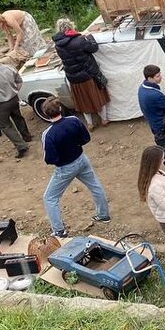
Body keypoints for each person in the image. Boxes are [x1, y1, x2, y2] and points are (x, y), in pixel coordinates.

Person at [40, 96, 110, 238]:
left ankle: (59, 231)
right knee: (95, 185)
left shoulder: (48, 134)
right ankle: (103, 215)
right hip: (81, 159)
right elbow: (86, 139)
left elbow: (50, 158)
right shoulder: (74, 120)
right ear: (60, 108)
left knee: (49, 198)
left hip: (64, 168)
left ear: (46, 114)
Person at [52, 18, 110, 129]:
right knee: (98, 98)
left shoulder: (58, 45)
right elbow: (94, 48)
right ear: (71, 26)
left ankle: (90, 123)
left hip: (73, 78)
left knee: (82, 101)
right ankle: (104, 119)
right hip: (88, 75)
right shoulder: (79, 40)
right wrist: (89, 37)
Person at [0, 50, 32, 159]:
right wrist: (15, 91)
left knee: (5, 125)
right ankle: (27, 136)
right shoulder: (10, 68)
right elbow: (19, 81)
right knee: (18, 117)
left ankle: (21, 146)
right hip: (14, 99)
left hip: (1, 104)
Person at [138, 65, 165, 141]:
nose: (160, 77)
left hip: (153, 123)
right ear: (149, 78)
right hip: (162, 126)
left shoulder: (141, 88)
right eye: (157, 76)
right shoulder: (155, 95)